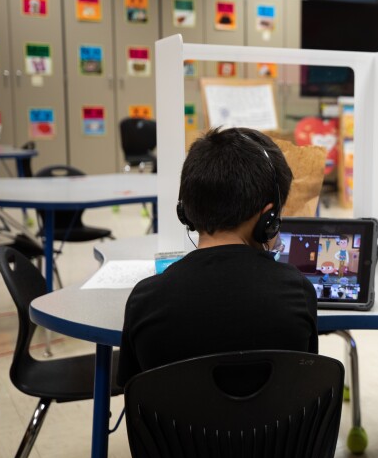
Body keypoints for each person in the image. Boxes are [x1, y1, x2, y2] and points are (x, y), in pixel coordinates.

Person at [117, 127, 318, 386]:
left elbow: (133, 393)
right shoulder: (297, 293)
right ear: (268, 217)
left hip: (180, 427)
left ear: (185, 211)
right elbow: (306, 382)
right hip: (275, 428)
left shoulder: (145, 300)